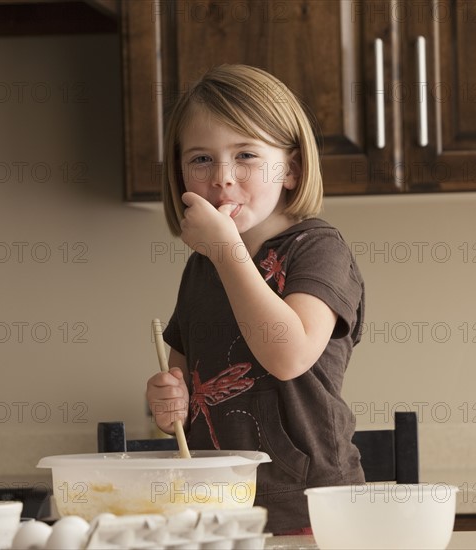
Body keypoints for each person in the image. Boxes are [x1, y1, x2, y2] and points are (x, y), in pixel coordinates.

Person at [146, 64, 365, 534]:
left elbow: (288, 356)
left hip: (312, 508)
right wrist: (167, 405)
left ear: (292, 169)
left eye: (246, 154)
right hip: (217, 511)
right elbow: (184, 395)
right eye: (201, 159)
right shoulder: (202, 267)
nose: (222, 178)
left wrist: (224, 250)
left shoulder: (318, 249)